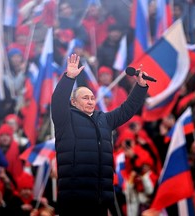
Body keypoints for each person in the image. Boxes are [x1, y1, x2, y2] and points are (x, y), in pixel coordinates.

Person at [51, 54, 149, 216]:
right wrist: (69, 77)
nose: (90, 101)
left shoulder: (104, 119)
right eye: (85, 98)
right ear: (73, 102)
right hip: (74, 199)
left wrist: (140, 87)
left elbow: (127, 109)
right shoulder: (65, 118)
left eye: (92, 98)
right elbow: (58, 100)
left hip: (101, 198)